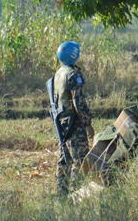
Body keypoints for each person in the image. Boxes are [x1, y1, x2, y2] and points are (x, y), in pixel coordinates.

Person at [51, 40, 93, 196]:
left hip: (62, 122)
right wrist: (87, 123)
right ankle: (76, 195)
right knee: (80, 160)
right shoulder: (74, 75)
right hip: (74, 123)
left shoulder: (59, 73)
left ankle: (61, 194)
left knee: (64, 160)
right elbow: (78, 102)